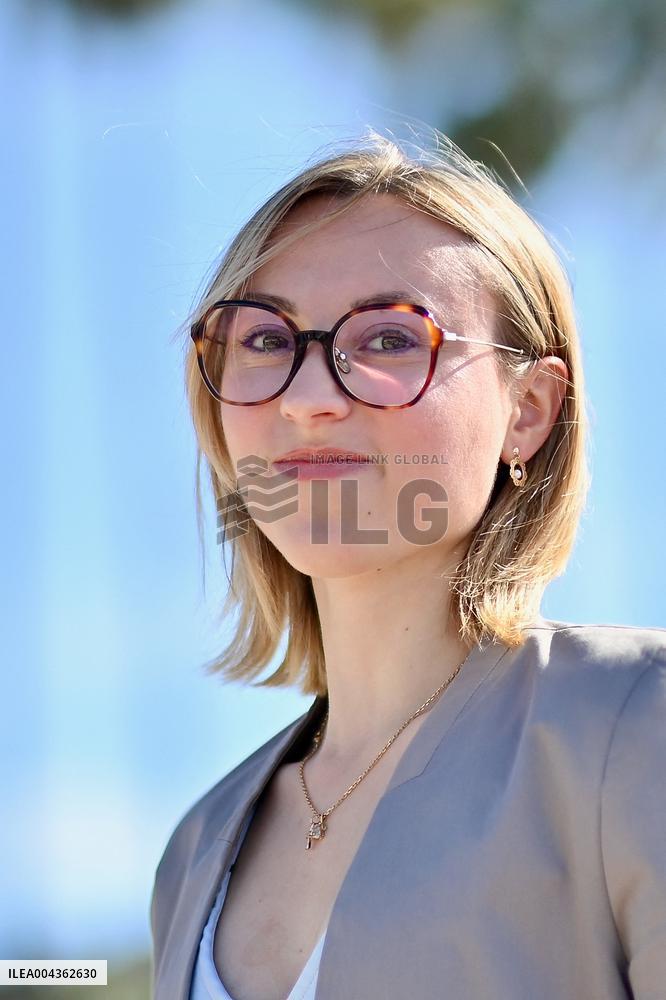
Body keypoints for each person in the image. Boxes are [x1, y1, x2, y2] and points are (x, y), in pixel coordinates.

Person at [150, 130, 666, 1000]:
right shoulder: (195, 852)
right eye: (266, 342)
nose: (309, 398)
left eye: (390, 340)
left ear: (529, 412)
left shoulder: (637, 725)